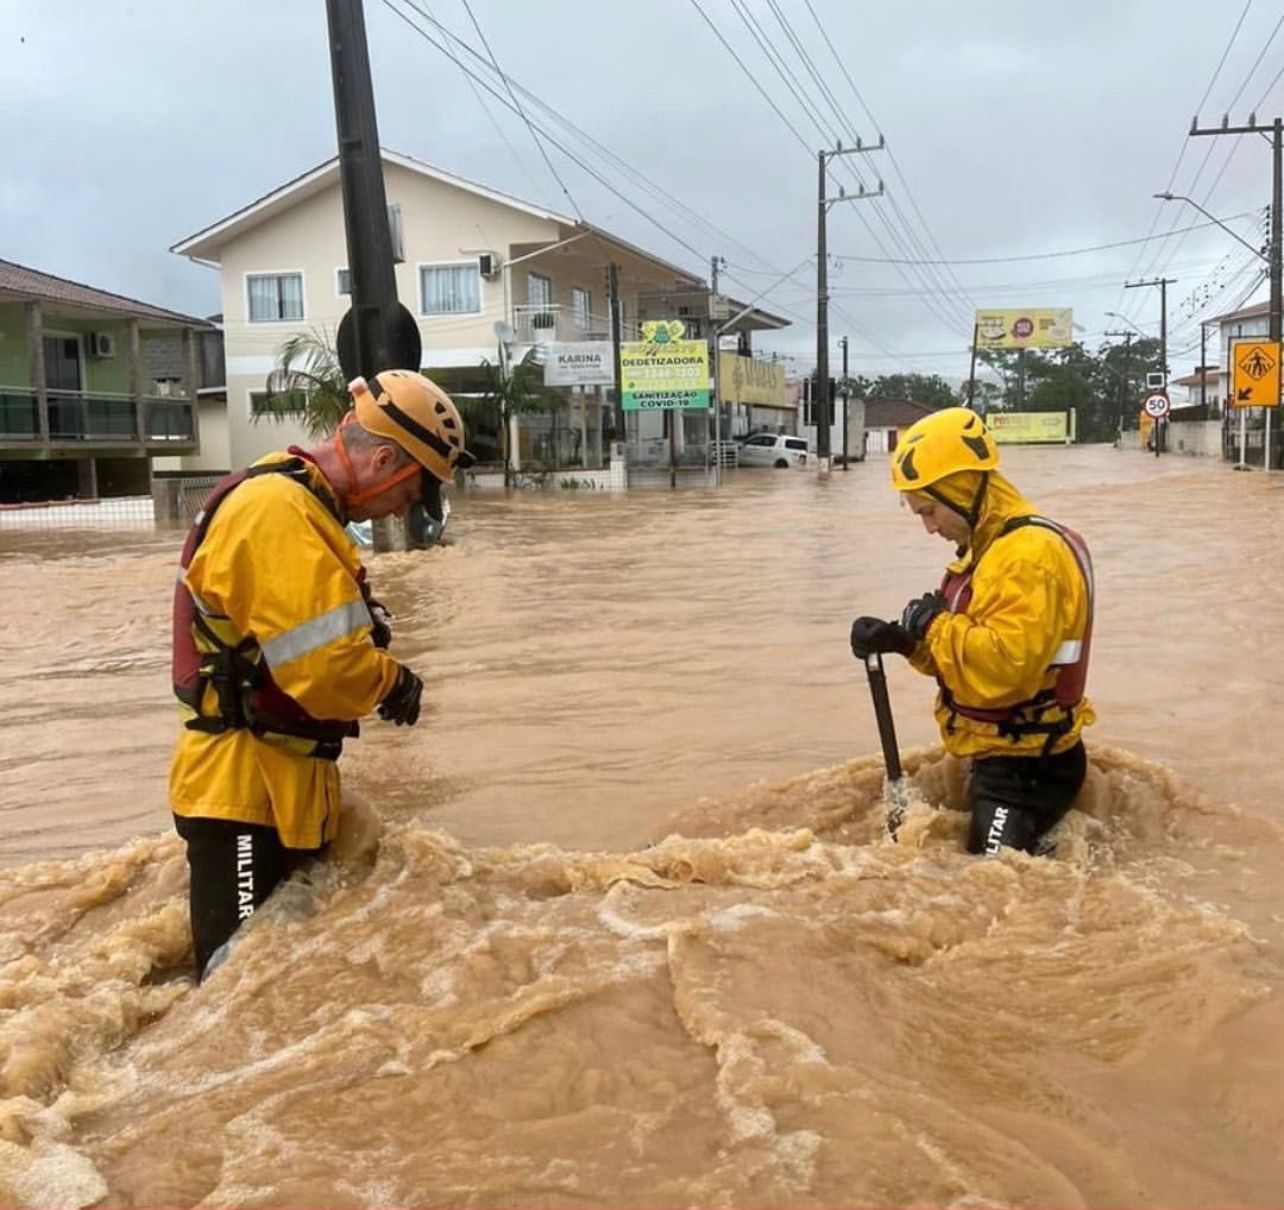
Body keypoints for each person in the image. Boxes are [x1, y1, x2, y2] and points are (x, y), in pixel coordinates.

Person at [169, 369, 474, 979]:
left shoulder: (299, 504)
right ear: (383, 459)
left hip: (278, 784)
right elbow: (326, 666)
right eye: (415, 491)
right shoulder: (276, 512)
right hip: (245, 792)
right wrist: (391, 681)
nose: (411, 507)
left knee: (288, 982)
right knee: (237, 989)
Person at [849, 407, 1094, 857]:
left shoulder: (1026, 557)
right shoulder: (989, 549)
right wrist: (905, 643)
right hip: (1003, 757)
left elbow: (1004, 669)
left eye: (930, 510)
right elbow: (968, 659)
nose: (928, 527)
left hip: (1026, 770)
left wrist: (936, 625)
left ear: (962, 489)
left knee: (988, 887)